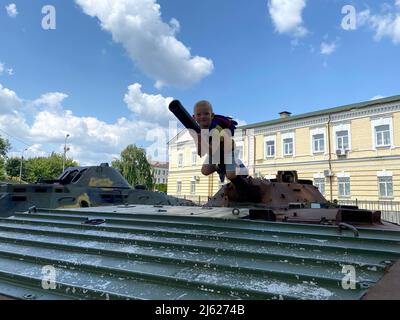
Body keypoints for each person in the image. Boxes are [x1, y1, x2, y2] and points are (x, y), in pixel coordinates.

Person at [191, 100, 260, 202]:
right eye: (199, 114)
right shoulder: (198, 130)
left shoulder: (216, 129)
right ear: (194, 117)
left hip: (228, 151)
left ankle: (238, 164)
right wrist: (198, 140)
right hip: (215, 152)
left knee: (231, 175)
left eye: (206, 113)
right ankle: (219, 167)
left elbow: (212, 151)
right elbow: (201, 153)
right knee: (204, 171)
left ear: (212, 115)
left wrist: (202, 141)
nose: (202, 117)